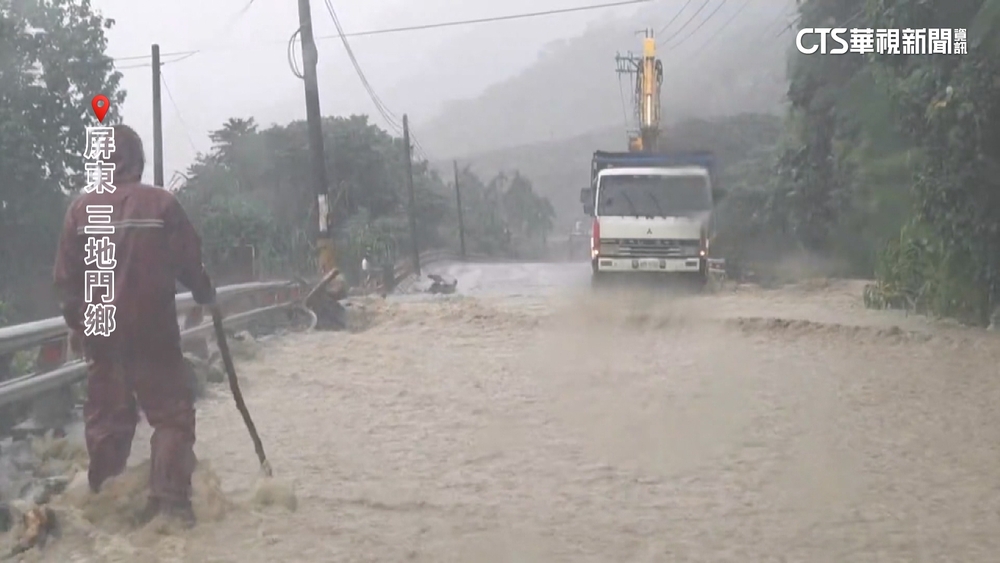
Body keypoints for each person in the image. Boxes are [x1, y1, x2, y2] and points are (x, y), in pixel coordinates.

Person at [53, 124, 215, 527]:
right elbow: (190, 263)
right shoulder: (162, 205)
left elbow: (66, 281)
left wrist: (83, 323)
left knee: (107, 418)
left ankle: (106, 507)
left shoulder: (80, 210)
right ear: (138, 161)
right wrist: (204, 292)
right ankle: (170, 505)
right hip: (153, 328)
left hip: (101, 329)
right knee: (171, 415)